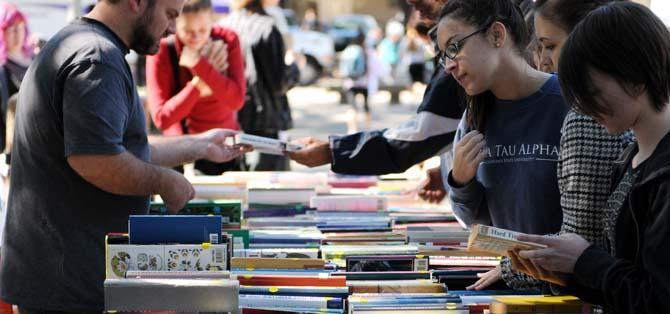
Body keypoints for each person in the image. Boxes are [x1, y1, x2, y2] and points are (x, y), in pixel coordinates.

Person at [0, 0, 249, 311]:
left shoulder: (84, 44)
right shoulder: (97, 58)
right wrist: (164, 181)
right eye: (170, 14)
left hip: (64, 277)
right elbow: (97, 161)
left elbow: (118, 151)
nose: (172, 28)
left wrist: (200, 145)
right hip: (69, 288)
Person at [510, 3, 670, 312]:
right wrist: (565, 271)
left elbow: (658, 299)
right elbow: (625, 285)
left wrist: (586, 261)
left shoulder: (662, 173)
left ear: (634, 78)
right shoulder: (632, 157)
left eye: (592, 92)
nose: (583, 106)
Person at [471, 0, 634, 292]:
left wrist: (512, 267)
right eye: (539, 46)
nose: (543, 60)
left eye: (549, 45)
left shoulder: (586, 117)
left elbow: (581, 244)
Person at [438, 0, 568, 289]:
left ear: (497, 35)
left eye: (454, 47)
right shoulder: (473, 119)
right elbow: (481, 229)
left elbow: (589, 231)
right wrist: (460, 181)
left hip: (569, 292)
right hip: (509, 291)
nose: (448, 65)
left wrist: (522, 268)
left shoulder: (571, 105)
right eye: (443, 54)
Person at [288, 0, 466, 178]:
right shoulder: (453, 46)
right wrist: (446, 174)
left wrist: (332, 151)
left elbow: (423, 134)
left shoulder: (462, 54)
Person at [146, 0, 246, 175]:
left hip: (226, 147)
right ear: (175, 22)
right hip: (184, 151)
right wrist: (198, 85)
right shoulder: (164, 48)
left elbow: (236, 100)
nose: (196, 37)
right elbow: (162, 118)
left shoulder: (227, 40)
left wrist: (199, 64)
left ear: (212, 21)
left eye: (203, 30)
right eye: (188, 31)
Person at [220, 0, 299, 171]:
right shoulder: (267, 27)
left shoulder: (224, 25)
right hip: (266, 123)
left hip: (230, 120)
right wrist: (294, 65)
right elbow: (279, 82)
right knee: (269, 190)